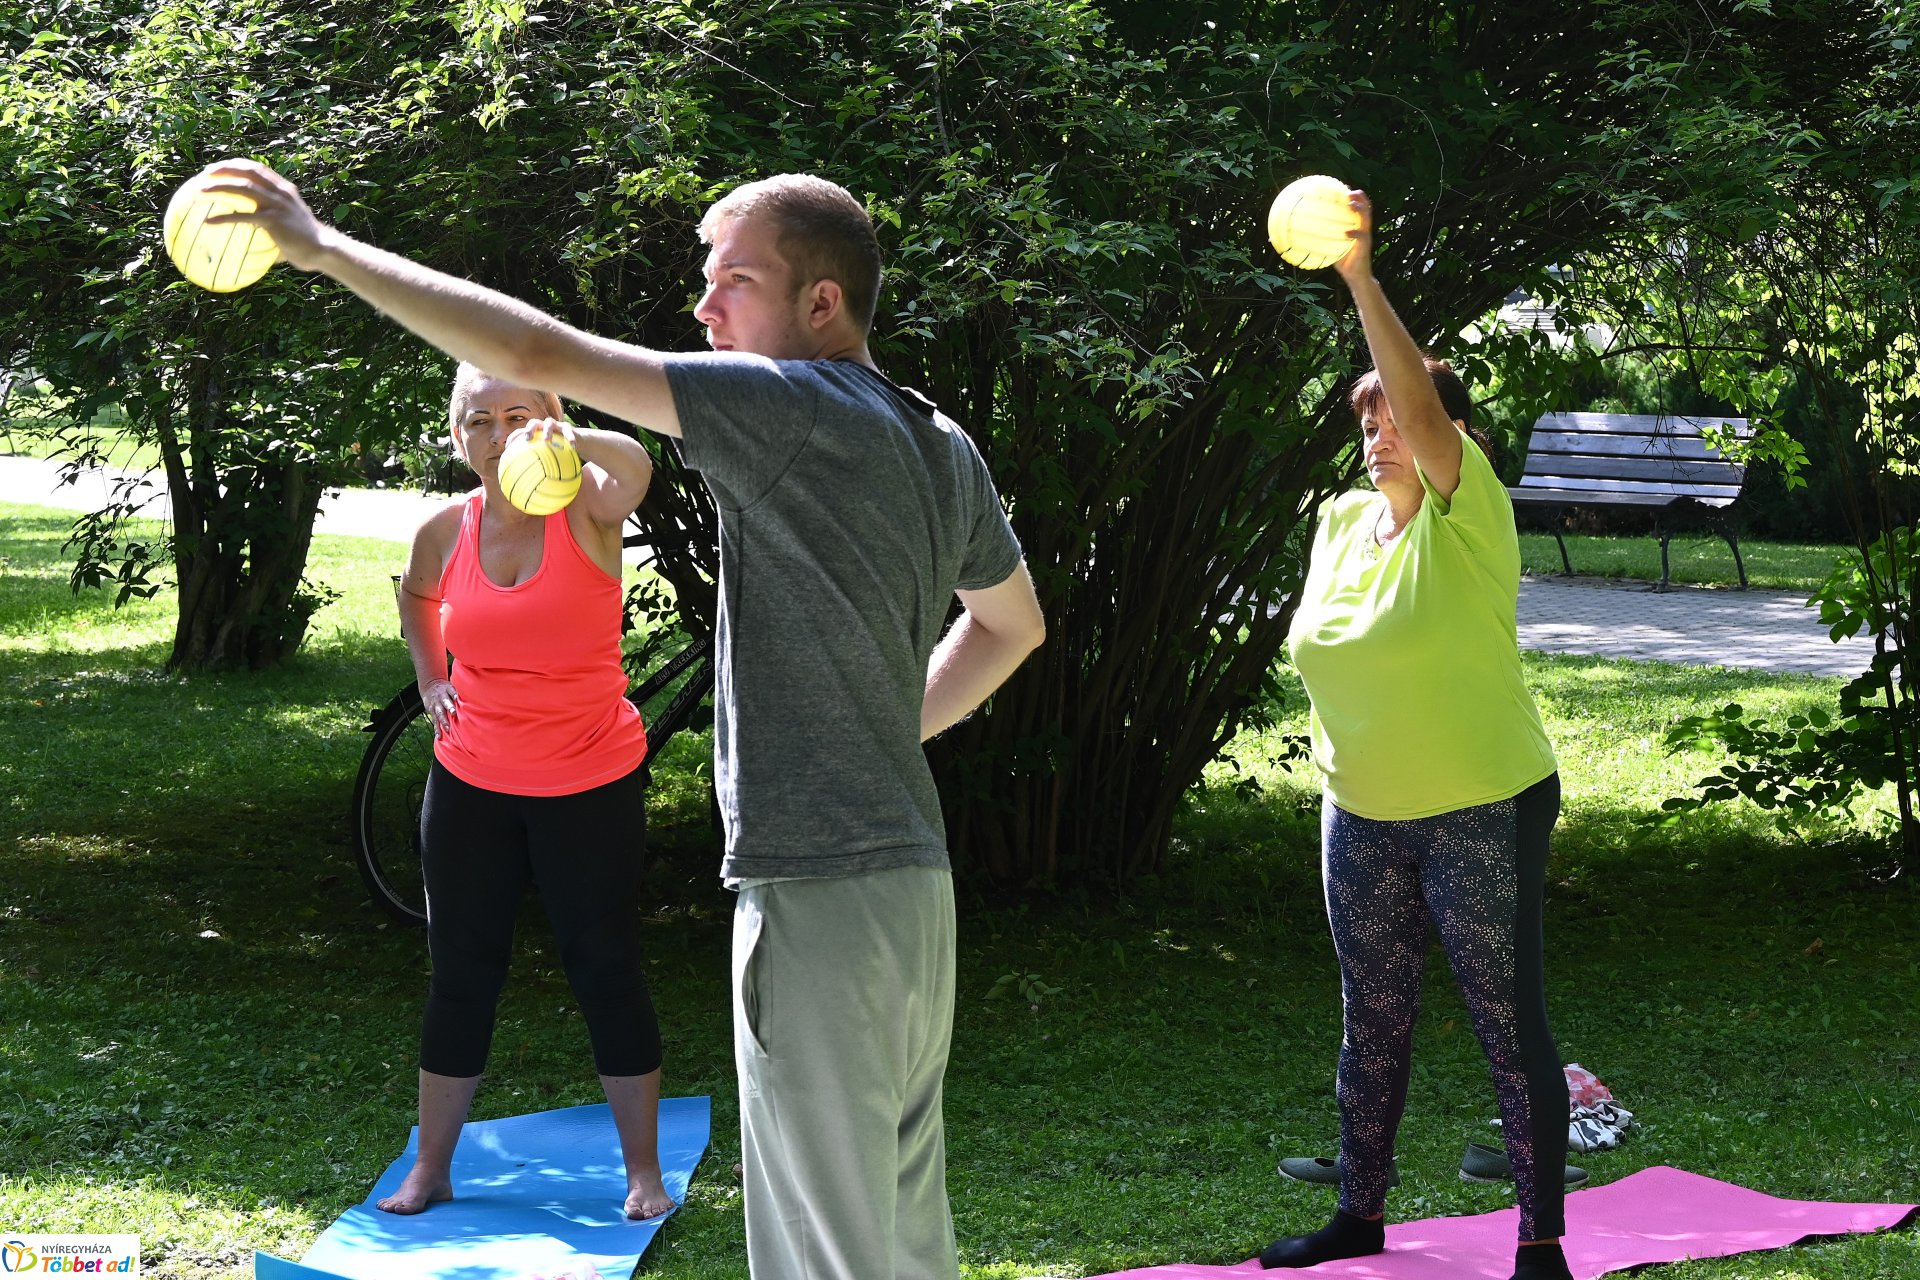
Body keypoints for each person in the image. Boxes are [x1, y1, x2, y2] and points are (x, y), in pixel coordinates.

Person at [205, 160, 1046, 1280]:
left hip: (821, 891)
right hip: (909, 889)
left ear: (822, 304)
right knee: (899, 1228)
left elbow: (543, 357)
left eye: (733, 281)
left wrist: (321, 248)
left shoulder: (791, 407)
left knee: (831, 1249)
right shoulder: (938, 438)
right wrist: (891, 730)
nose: (705, 308)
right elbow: (1011, 626)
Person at [1264, 189, 1574, 1280]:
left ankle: (1540, 1243)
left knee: (1506, 1020)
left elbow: (1427, 419)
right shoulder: (1341, 522)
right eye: (1363, 417)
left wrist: (1356, 275)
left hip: (1482, 800)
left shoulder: (1468, 502)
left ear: (1441, 429)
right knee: (1374, 1019)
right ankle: (1358, 1214)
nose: (1376, 429)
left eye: (1392, 413)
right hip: (1362, 809)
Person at [383, 364, 670, 1220]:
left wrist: (557, 436)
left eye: (520, 415)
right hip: (472, 780)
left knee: (605, 965)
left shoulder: (587, 506)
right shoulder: (445, 528)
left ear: (552, 421)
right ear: (456, 437)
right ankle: (430, 1169)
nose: (499, 433)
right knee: (461, 973)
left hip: (590, 778)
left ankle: (643, 1176)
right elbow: (417, 595)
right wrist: (432, 678)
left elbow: (643, 463)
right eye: (480, 421)